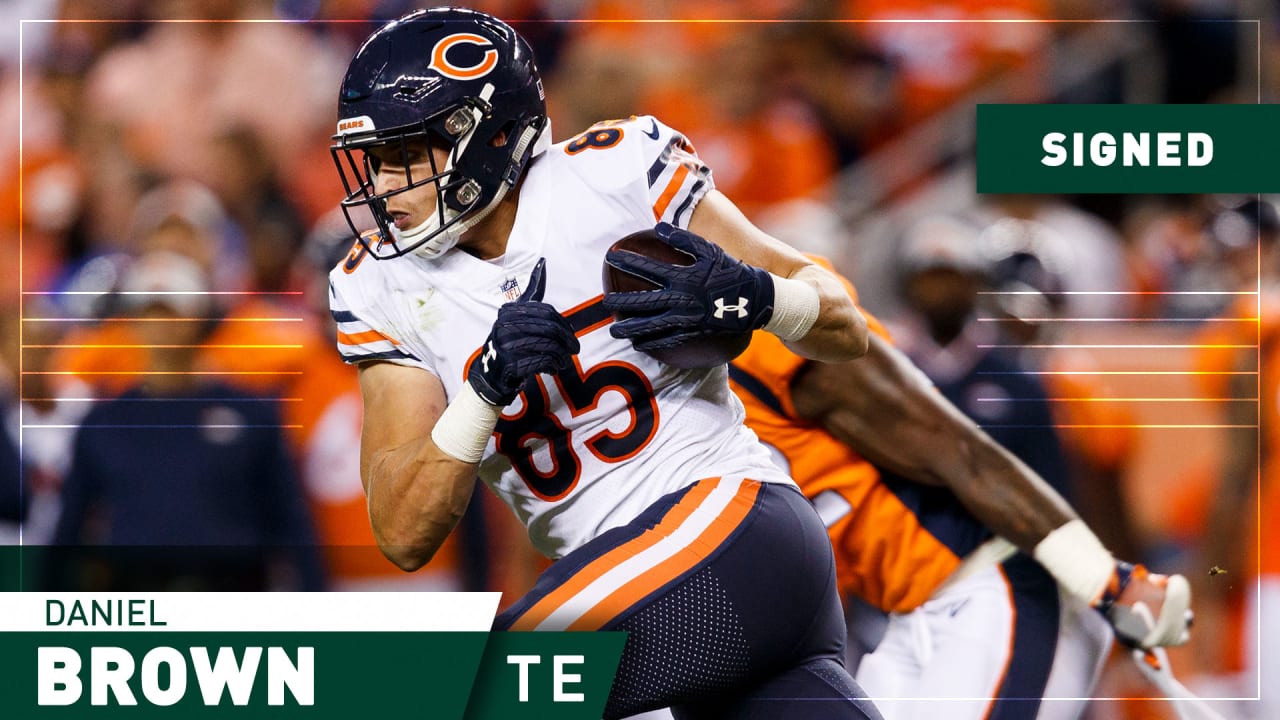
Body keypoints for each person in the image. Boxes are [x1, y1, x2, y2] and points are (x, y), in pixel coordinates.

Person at [326, 8, 878, 720]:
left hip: (736, 524)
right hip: (648, 592)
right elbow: (404, 532)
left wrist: (761, 295)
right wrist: (481, 393)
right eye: (375, 160)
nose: (385, 185)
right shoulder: (377, 284)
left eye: (407, 153)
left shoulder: (614, 175)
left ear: (490, 135)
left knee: (460, 689)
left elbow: (844, 325)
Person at [728, 259, 1195, 720]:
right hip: (903, 614)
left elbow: (962, 451)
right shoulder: (678, 410)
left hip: (991, 589)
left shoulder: (765, 345)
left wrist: (1106, 580)